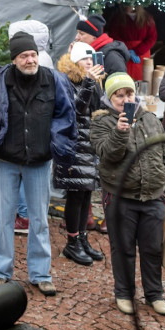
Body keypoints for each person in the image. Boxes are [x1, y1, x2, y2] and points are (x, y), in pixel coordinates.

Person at [0, 32, 76, 296]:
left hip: (39, 161)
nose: (30, 60)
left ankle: (41, 274)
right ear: (14, 59)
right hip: (6, 159)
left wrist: (55, 140)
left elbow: (66, 114)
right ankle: (1, 271)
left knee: (39, 219)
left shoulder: (53, 80)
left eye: (33, 55)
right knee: (4, 219)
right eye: (24, 56)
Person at [91, 74, 165, 316]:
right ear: (110, 98)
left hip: (153, 196)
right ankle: (124, 293)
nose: (125, 99)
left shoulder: (150, 118)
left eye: (129, 93)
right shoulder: (101, 122)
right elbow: (107, 155)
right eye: (119, 95)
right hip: (120, 198)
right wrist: (120, 131)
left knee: (153, 248)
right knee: (123, 249)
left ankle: (154, 294)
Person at [54, 41, 105, 266]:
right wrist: (89, 82)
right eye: (85, 58)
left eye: (91, 58)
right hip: (74, 146)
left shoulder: (92, 80)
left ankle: (82, 238)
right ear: (75, 60)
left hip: (90, 146)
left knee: (86, 194)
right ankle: (72, 242)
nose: (89, 62)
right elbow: (74, 110)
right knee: (75, 195)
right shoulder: (66, 81)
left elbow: (98, 109)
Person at [107, 4, 157, 82]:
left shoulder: (147, 18)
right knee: (125, 79)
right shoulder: (117, 18)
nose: (127, 6)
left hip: (142, 54)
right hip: (124, 53)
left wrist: (137, 51)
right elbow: (114, 35)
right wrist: (125, 50)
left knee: (142, 79)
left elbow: (152, 38)